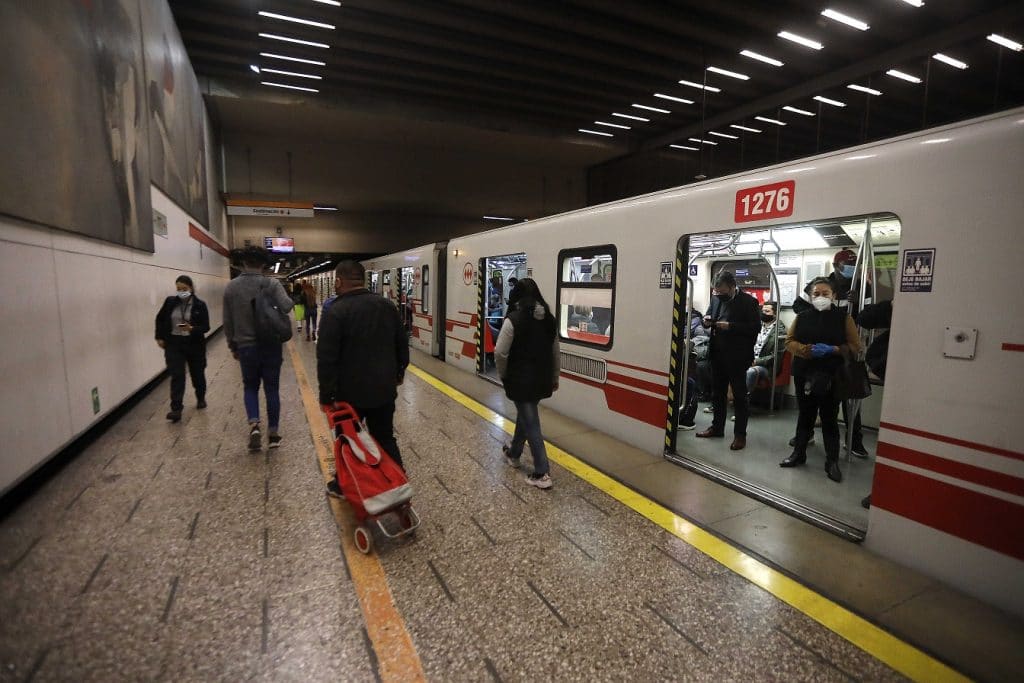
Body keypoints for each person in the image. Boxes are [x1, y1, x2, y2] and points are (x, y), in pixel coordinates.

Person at [318, 260, 409, 497]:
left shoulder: (334, 311)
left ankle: (343, 485)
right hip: (383, 390)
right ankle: (399, 483)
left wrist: (326, 396)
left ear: (338, 281)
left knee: (348, 440)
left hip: (348, 395)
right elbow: (402, 344)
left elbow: (326, 358)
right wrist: (399, 373)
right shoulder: (387, 306)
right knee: (385, 437)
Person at [780, 277, 863, 483]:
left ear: (834, 296)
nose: (820, 297)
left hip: (831, 375)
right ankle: (798, 454)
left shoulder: (844, 319)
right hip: (804, 373)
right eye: (816, 294)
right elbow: (790, 342)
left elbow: (855, 347)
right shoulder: (802, 317)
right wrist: (807, 350)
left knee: (829, 418)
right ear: (810, 296)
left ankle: (832, 461)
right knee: (805, 416)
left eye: (825, 294)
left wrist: (834, 349)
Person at [223, 246, 294, 452]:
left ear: (243, 263)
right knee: (271, 389)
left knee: (250, 387)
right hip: (271, 345)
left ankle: (254, 425)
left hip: (246, 347)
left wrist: (232, 345)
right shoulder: (271, 283)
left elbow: (228, 322)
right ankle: (273, 433)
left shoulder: (231, 287)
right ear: (263, 264)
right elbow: (288, 306)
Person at [494, 278, 560, 489]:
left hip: (520, 380)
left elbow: (500, 352)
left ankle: (542, 473)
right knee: (526, 415)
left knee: (531, 423)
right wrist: (555, 377)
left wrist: (504, 374)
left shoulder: (513, 319)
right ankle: (514, 454)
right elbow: (555, 351)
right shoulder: (550, 319)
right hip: (541, 380)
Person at [696, 271, 760, 450]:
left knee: (739, 396)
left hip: (738, 356)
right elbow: (708, 317)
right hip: (717, 354)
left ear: (732, 287)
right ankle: (717, 428)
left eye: (723, 292)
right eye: (717, 292)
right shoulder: (716, 299)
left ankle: (740, 435)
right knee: (717, 394)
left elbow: (755, 327)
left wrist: (731, 327)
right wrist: (706, 321)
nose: (719, 296)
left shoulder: (749, 302)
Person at [154, 275, 210, 423]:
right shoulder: (170, 302)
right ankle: (176, 409)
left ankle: (200, 397)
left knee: (197, 373)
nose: (181, 292)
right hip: (174, 343)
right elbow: (160, 319)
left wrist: (192, 328)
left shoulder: (200, 305)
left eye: (184, 289)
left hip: (194, 344)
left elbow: (206, 326)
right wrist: (159, 337)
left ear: (191, 288)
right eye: (178, 289)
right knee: (177, 375)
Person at [746, 301, 786, 395]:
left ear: (775, 314)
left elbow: (776, 356)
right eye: (763, 311)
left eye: (767, 311)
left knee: (750, 371)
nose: (763, 313)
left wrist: (756, 361)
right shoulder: (757, 326)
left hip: (767, 367)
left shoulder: (780, 332)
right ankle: (726, 399)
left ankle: (742, 401)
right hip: (750, 359)